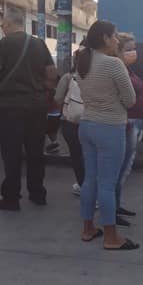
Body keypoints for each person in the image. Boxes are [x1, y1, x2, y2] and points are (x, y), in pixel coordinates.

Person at [0, 7, 57, 211]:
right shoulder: (38, 43)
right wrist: (40, 88)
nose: (1, 28)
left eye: (2, 25)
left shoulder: (2, 44)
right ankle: (37, 193)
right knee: (35, 151)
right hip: (37, 105)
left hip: (11, 106)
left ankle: (12, 198)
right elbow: (51, 74)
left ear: (8, 24)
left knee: (12, 153)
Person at [75, 20, 138, 250]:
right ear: (104, 38)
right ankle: (111, 237)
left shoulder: (81, 61)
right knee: (108, 184)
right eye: (114, 36)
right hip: (110, 128)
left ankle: (88, 228)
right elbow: (130, 100)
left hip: (87, 125)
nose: (117, 40)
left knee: (90, 179)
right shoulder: (114, 64)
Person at [114, 33, 143, 226]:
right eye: (128, 49)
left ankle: (116, 205)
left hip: (136, 122)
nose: (133, 52)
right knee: (120, 168)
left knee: (125, 169)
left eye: (134, 48)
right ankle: (112, 209)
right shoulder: (119, 71)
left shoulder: (128, 70)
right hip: (127, 122)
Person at [54, 49, 84, 196]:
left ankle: (82, 185)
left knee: (77, 156)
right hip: (91, 123)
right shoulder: (96, 77)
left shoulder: (68, 77)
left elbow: (58, 98)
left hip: (70, 123)